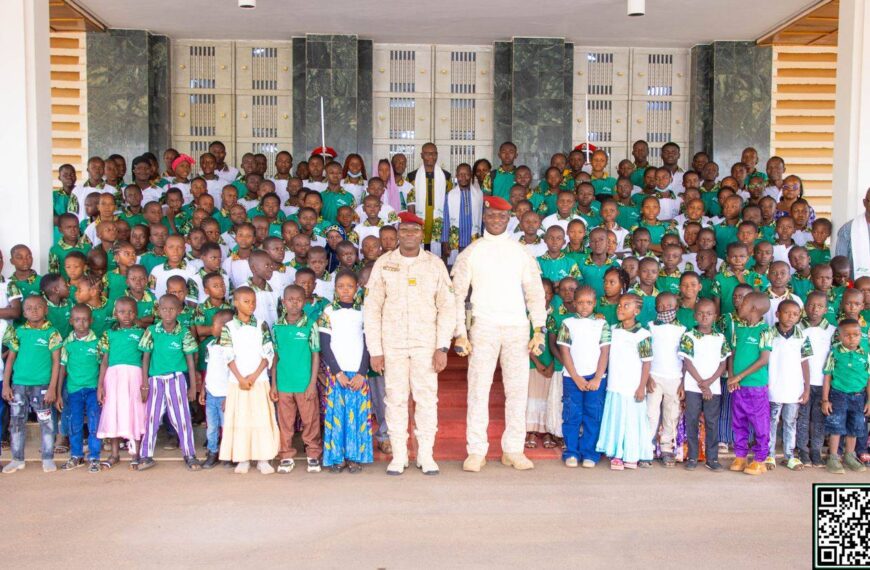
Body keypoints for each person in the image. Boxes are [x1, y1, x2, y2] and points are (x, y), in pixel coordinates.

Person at [451, 195, 547, 472]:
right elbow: (457, 295)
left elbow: (535, 293)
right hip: (483, 326)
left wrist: (538, 329)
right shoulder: (472, 251)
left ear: (509, 219)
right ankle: (477, 451)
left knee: (517, 391)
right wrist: (460, 332)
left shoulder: (521, 252)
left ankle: (513, 449)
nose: (496, 220)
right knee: (478, 390)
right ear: (484, 217)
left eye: (502, 217)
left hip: (517, 327)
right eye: (491, 215)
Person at [364, 212, 455, 475]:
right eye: (404, 230)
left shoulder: (434, 265)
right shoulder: (384, 263)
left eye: (414, 231)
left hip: (425, 344)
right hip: (392, 344)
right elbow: (372, 309)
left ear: (422, 234)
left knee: (426, 400)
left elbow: (446, 308)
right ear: (398, 233)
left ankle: (425, 454)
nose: (409, 236)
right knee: (395, 399)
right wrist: (376, 350)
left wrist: (442, 346)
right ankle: (399, 454)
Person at [219, 287, 279, 475]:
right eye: (246, 301)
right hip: (238, 383)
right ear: (235, 303)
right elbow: (227, 355)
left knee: (261, 418)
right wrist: (240, 378)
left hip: (259, 380)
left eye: (253, 301)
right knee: (241, 420)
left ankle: (263, 458)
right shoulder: (228, 328)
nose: (251, 305)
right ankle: (242, 458)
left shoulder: (261, 325)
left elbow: (268, 352)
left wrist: (253, 376)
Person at [137, 294, 200, 471]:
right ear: (158, 310)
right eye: (164, 309)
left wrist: (193, 386)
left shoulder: (184, 332)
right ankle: (146, 455)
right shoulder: (151, 331)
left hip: (177, 379)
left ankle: (190, 454)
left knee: (182, 417)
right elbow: (145, 357)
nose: (168, 312)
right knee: (151, 418)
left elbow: (190, 359)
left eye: (172, 309)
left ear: (179, 311)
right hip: (155, 380)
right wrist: (144, 384)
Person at [318, 270, 372, 473]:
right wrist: (337, 372)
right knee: (337, 415)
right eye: (341, 286)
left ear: (357, 287)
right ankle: (337, 457)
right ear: (335, 288)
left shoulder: (364, 311)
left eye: (350, 286)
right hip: (337, 374)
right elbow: (325, 344)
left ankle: (355, 456)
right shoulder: (328, 312)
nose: (345, 290)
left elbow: (368, 344)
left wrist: (361, 373)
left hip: (358, 373)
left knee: (357, 416)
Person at [2, 296, 63, 473]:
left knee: (46, 423)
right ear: (24, 312)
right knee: (16, 422)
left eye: (38, 307)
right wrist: (6, 385)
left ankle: (48, 458)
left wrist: (52, 388)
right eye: (29, 308)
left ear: (46, 310)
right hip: (19, 386)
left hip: (42, 386)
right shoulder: (18, 332)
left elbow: (56, 362)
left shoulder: (52, 332)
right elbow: (10, 360)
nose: (34, 310)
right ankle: (17, 459)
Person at [595, 293, 654, 470]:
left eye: (626, 305)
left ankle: (631, 454)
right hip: (615, 384)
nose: (620, 308)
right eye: (619, 305)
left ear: (636, 311)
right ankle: (617, 454)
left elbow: (646, 363)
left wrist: (641, 387)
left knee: (632, 421)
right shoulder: (613, 330)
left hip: (632, 386)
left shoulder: (643, 334)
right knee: (617, 419)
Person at [557, 286, 610, 468]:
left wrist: (597, 378)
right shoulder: (567, 323)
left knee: (593, 416)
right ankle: (571, 452)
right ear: (574, 303)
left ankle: (590, 453)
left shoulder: (602, 324)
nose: (584, 306)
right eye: (580, 302)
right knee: (572, 415)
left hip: (596, 379)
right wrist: (576, 377)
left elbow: (605, 352)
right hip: (572, 378)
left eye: (588, 303)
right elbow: (565, 352)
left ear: (594, 304)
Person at [271, 286, 322, 474]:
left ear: (304, 302)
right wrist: (274, 384)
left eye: (298, 299)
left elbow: (316, 355)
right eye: (290, 299)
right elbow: (275, 358)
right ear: (283, 302)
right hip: (284, 384)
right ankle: (286, 456)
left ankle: (313, 455)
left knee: (310, 420)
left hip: (304, 384)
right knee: (285, 422)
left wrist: (312, 384)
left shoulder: (310, 325)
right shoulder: (277, 327)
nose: (294, 303)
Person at [678, 298, 730, 471]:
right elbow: (687, 362)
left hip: (713, 388)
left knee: (712, 422)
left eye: (709, 314)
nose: (704, 317)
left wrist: (709, 383)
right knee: (691, 420)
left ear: (715, 316)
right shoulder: (689, 336)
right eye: (700, 313)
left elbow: (723, 363)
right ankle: (692, 456)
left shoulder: (720, 338)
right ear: (695, 315)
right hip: (693, 386)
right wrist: (702, 384)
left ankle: (712, 458)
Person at [96, 296, 146, 469]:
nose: (126, 315)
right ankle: (114, 454)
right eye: (122, 312)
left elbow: (146, 359)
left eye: (131, 312)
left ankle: (136, 453)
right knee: (114, 412)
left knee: (135, 411)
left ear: (136, 313)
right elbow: (104, 361)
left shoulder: (142, 333)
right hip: (114, 376)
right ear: (115, 314)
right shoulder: (108, 334)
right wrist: (100, 386)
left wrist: (145, 383)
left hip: (134, 376)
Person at [727, 292, 773, 476]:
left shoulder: (765, 331)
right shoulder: (738, 328)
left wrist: (740, 376)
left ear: (754, 308)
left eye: (744, 302)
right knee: (739, 421)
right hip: (738, 385)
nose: (739, 304)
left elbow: (763, 359)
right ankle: (740, 455)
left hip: (756, 385)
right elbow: (732, 353)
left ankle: (760, 458)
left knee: (760, 423)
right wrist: (732, 377)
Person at [765, 299, 812, 471]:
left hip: (794, 389)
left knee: (791, 421)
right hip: (773, 388)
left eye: (795, 314)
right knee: (771, 421)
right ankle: (769, 454)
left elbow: (805, 363)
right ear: (777, 314)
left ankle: (789, 455)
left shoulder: (802, 336)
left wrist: (806, 387)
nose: (791, 317)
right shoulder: (768, 334)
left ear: (799, 316)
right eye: (787, 312)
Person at [821, 319, 870, 474]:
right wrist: (825, 400)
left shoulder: (865, 354)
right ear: (839, 336)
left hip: (859, 396)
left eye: (856, 335)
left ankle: (849, 455)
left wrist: (869, 400)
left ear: (861, 336)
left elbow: (868, 379)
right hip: (838, 395)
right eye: (847, 335)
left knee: (854, 427)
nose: (852, 338)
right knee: (836, 426)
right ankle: (833, 457)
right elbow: (827, 377)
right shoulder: (835, 352)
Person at [59, 304, 102, 473]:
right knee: (74, 423)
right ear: (71, 321)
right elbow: (62, 368)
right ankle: (76, 455)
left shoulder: (97, 343)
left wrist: (101, 388)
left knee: (94, 423)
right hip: (74, 390)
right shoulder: (67, 344)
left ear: (91, 321)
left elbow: (102, 367)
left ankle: (94, 457)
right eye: (77, 320)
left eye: (85, 320)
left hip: (92, 389)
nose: (81, 323)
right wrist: (58, 393)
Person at [645, 292, 686, 468]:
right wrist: (646, 377)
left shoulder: (682, 330)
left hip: (675, 378)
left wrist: (683, 382)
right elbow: (644, 354)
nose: (664, 310)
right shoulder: (650, 327)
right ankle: (646, 447)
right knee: (651, 414)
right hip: (654, 376)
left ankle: (667, 447)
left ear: (676, 308)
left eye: (668, 306)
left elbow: (685, 358)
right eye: (660, 306)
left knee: (671, 414)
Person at [408, 143, 453, 255]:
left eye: (433, 154)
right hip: (420, 221)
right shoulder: (412, 177)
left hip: (438, 222)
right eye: (427, 154)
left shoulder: (446, 176)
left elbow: (449, 202)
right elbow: (410, 202)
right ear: (421, 155)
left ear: (437, 155)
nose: (431, 157)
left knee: (437, 256)